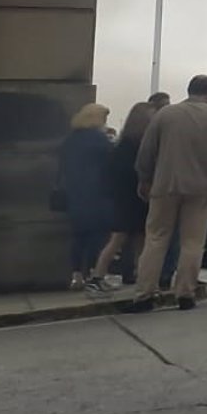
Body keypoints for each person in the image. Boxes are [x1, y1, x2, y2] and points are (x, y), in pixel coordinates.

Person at [125, 75, 207, 313]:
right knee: (193, 241)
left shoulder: (164, 115)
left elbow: (146, 152)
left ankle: (144, 293)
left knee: (156, 238)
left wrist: (144, 179)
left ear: (188, 90)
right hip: (202, 186)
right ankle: (185, 293)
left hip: (165, 183)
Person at [90, 101, 156, 293]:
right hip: (132, 199)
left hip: (128, 198)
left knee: (136, 241)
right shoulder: (134, 146)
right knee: (121, 239)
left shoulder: (123, 145)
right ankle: (98, 276)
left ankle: (138, 275)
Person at [58, 103, 112, 292]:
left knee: (78, 235)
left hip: (75, 192)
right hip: (97, 193)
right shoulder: (99, 139)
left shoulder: (70, 140)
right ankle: (93, 275)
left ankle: (76, 275)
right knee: (98, 236)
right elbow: (109, 164)